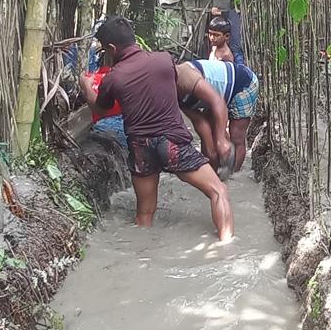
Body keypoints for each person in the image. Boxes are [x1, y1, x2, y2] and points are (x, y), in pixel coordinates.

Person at [79, 16, 233, 240]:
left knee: (144, 215)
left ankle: (142, 253)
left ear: (112, 48)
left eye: (105, 51)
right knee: (219, 191)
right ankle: (226, 245)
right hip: (173, 144)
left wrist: (85, 85)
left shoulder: (113, 79)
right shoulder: (164, 60)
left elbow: (100, 110)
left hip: (141, 150)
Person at [176, 59, 258, 173]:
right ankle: (220, 172)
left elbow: (218, 103)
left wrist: (221, 140)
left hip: (242, 84)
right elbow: (200, 122)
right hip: (216, 94)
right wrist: (209, 152)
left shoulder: (184, 76)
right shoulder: (172, 94)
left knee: (236, 136)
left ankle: (234, 175)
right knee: (211, 139)